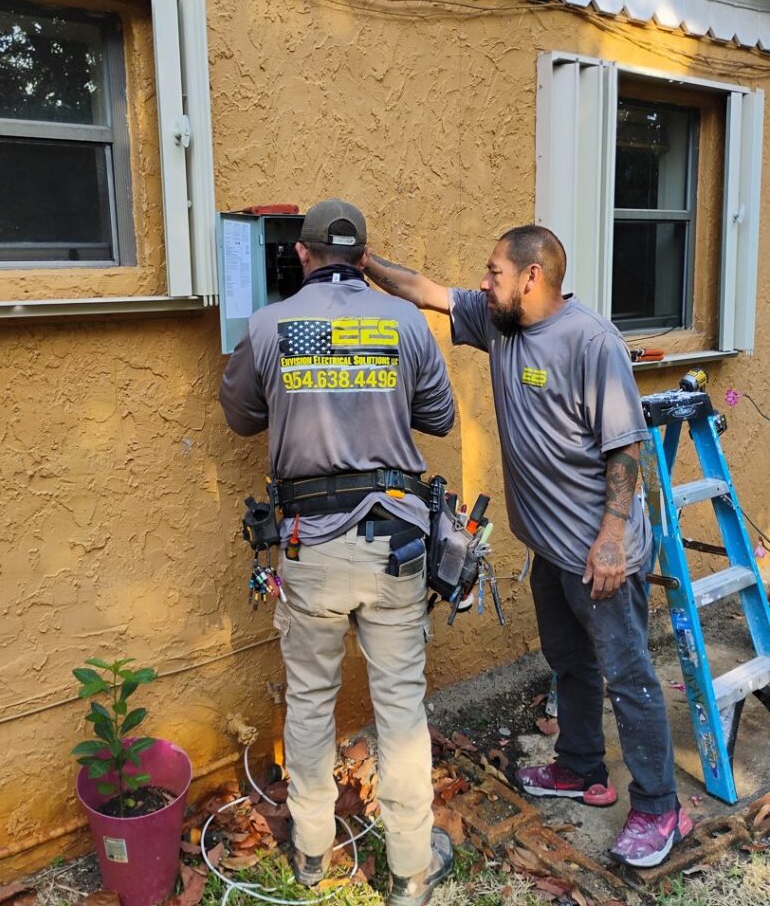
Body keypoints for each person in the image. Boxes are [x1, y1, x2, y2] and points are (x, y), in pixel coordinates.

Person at [364, 224, 692, 869]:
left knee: (628, 678)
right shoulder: (499, 325)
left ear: (532, 276)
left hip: (600, 553)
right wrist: (363, 260)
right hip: (550, 545)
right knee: (569, 662)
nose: (483, 283)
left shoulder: (592, 343)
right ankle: (581, 769)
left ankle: (660, 807)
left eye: (493, 272)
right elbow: (426, 291)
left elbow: (626, 449)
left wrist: (610, 540)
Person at [219, 199, 455, 906]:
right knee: (400, 708)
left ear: (301, 254)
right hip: (394, 543)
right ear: (364, 255)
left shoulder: (268, 325)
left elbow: (238, 416)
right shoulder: (405, 322)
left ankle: (312, 856)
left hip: (308, 544)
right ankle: (411, 870)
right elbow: (439, 416)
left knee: (311, 703)